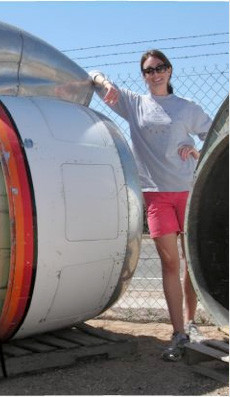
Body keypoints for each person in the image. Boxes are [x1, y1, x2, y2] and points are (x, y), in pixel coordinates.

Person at [89, 50, 212, 362]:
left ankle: (192, 322)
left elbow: (212, 136)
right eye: (148, 70)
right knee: (170, 263)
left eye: (160, 68)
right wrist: (105, 82)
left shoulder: (187, 108)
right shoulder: (134, 104)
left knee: (192, 263)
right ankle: (178, 333)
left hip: (187, 193)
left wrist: (195, 150)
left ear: (169, 71)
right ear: (143, 75)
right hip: (156, 196)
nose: (155, 74)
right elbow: (93, 75)